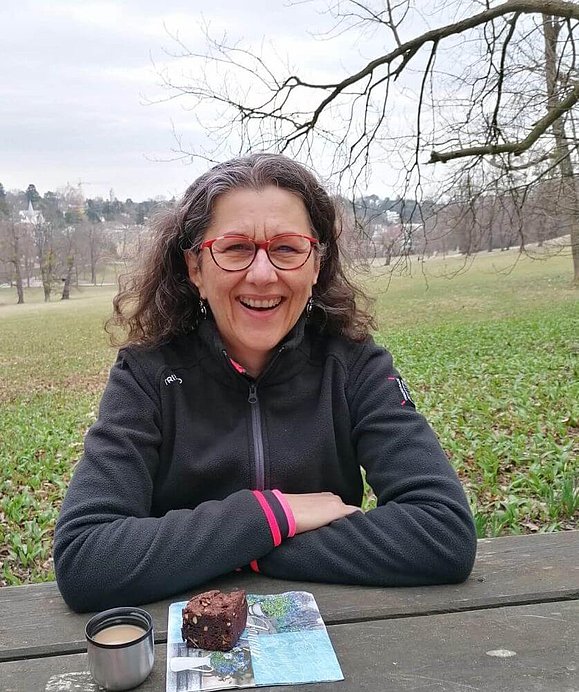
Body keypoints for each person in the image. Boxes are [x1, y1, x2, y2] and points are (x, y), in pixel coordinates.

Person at [54, 153, 477, 613]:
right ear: (196, 269)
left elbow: (443, 532)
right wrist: (275, 517)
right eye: (235, 248)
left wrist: (234, 552)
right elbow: (86, 558)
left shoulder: (355, 367)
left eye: (287, 248)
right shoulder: (147, 376)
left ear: (315, 265)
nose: (262, 273)